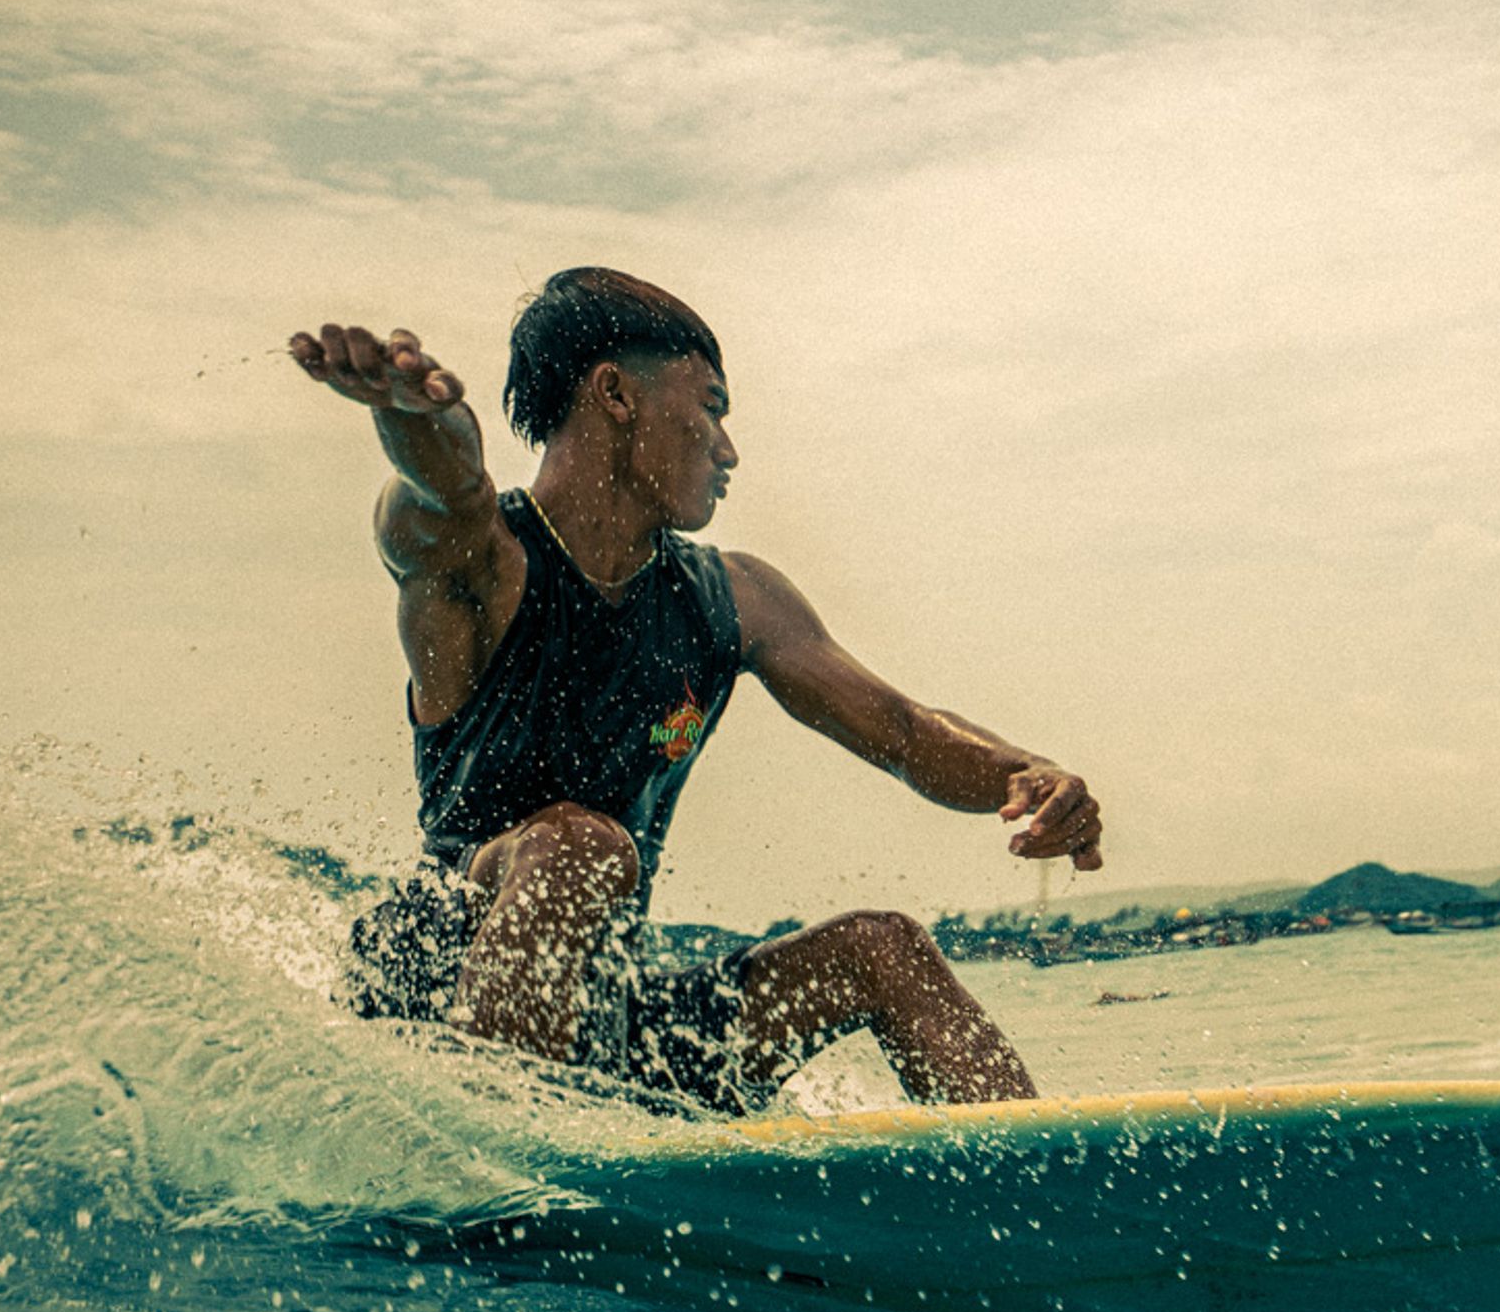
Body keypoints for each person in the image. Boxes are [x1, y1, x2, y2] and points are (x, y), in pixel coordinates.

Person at [288, 267, 1102, 1113]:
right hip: (434, 1010)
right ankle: (511, 1165)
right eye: (710, 406)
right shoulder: (485, 562)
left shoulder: (733, 599)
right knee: (583, 846)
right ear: (615, 394)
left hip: (597, 1029)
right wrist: (412, 416)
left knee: (883, 949)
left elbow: (901, 728)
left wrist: (1024, 772)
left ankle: (1044, 1191)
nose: (727, 448)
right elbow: (440, 490)